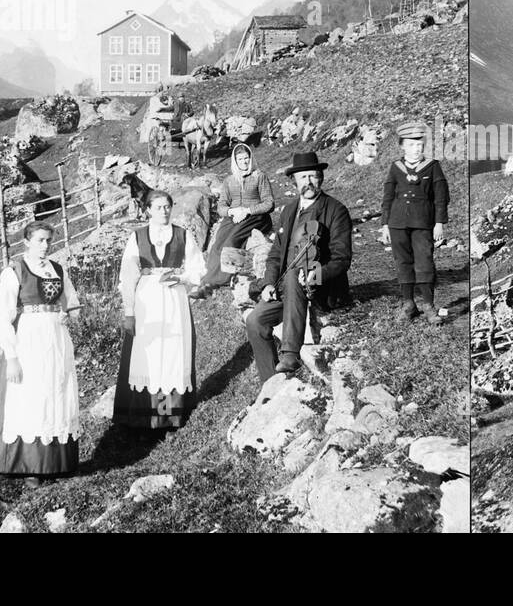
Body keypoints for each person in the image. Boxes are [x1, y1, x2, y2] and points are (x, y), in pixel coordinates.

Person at [0, 222, 82, 486]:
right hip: (30, 339)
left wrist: (67, 314)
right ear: (27, 241)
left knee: (57, 392)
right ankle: (31, 466)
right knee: (33, 394)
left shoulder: (58, 269)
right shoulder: (15, 271)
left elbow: (72, 303)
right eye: (39, 240)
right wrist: (12, 356)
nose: (45, 245)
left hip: (57, 339)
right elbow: (1, 318)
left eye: (49, 240)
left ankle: (57, 462)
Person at [243, 152, 352, 377]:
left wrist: (316, 274)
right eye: (303, 178)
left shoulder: (336, 210)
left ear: (320, 178)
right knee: (255, 320)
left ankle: (290, 353)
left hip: (319, 287)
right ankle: (270, 382)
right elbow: (275, 254)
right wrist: (269, 283)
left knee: (294, 275)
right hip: (287, 288)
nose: (308, 182)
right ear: (295, 181)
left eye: (313, 176)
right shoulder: (289, 210)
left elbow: (342, 259)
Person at [114, 190, 206, 429]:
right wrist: (130, 310)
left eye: (167, 206)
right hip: (148, 300)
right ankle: (145, 418)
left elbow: (197, 267)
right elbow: (128, 274)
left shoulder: (183, 235)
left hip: (174, 299)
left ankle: (169, 417)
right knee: (151, 353)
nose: (164, 211)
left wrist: (184, 278)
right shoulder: (137, 237)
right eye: (158, 207)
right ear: (147, 211)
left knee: (173, 352)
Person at [379, 120, 450, 321]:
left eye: (420, 144)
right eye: (411, 144)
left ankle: (428, 305)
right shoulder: (396, 167)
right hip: (397, 222)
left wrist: (439, 223)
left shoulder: (433, 167)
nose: (416, 148)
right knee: (403, 262)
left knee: (424, 262)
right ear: (402, 146)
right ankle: (408, 304)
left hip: (423, 223)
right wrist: (385, 224)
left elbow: (441, 197)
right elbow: (388, 196)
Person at [191, 143, 274, 299]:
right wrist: (232, 211)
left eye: (246, 158)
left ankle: (216, 282)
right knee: (217, 245)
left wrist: (247, 210)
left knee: (231, 242)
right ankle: (206, 281)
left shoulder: (259, 176)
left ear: (251, 159)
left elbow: (269, 203)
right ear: (235, 161)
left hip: (255, 217)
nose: (244, 162)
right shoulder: (230, 180)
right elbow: (221, 205)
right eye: (240, 159)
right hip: (234, 216)